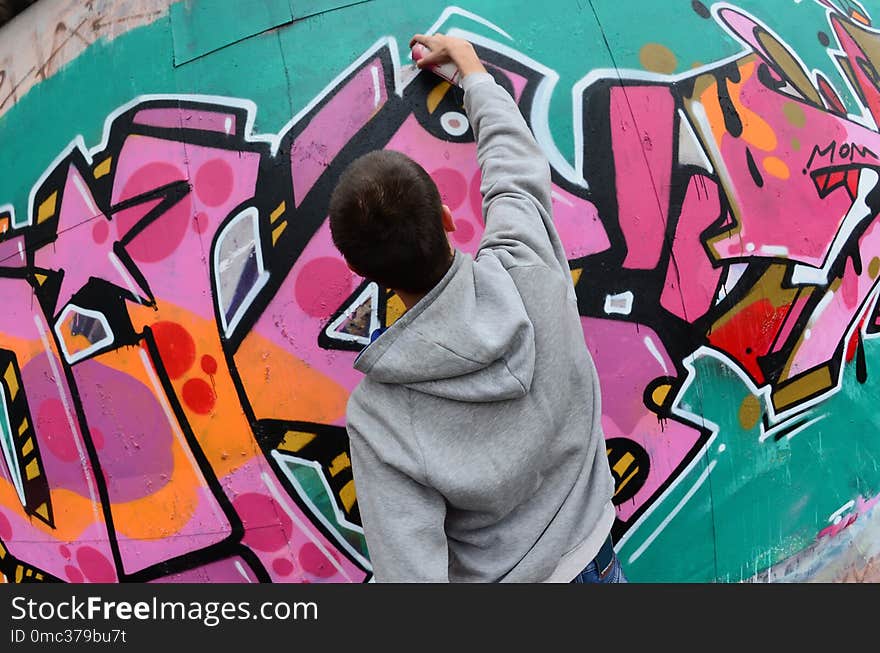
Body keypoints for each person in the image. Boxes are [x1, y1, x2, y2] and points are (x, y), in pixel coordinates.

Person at [327, 32, 625, 583]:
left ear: (363, 275)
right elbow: (515, 165)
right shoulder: (526, 264)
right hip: (599, 562)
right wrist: (470, 69)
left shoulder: (380, 418)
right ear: (445, 217)